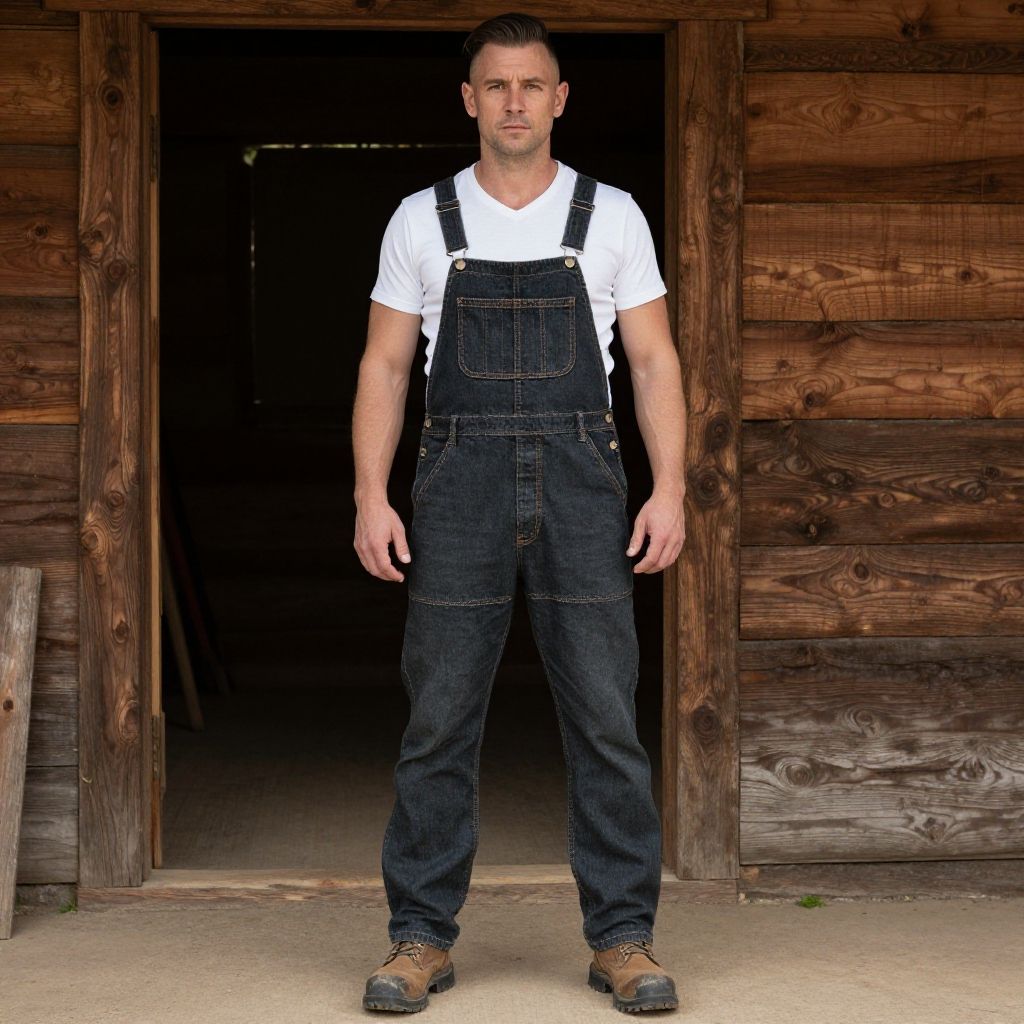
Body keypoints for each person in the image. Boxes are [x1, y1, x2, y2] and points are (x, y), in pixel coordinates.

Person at [352, 10, 687, 1015]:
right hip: (457, 488)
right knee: (439, 716)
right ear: (469, 98)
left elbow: (656, 359)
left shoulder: (612, 214)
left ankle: (623, 939)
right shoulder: (421, 218)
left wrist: (670, 485)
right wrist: (370, 495)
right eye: (494, 85)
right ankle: (418, 937)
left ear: (558, 98)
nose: (512, 101)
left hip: (584, 482)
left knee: (605, 717)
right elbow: (381, 364)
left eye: (530, 84)